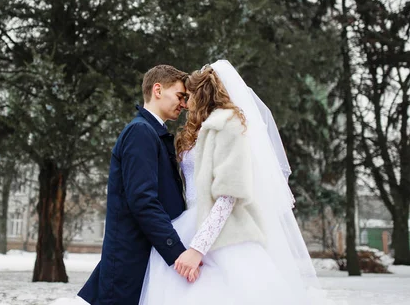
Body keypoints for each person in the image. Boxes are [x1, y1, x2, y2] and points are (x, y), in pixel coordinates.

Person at [139, 60, 326, 305]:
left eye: (189, 95)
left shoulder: (229, 126)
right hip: (190, 224)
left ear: (202, 93)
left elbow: (228, 195)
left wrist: (198, 248)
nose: (185, 104)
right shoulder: (199, 130)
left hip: (224, 235)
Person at [73, 65, 198, 305]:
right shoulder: (140, 132)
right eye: (180, 96)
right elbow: (143, 201)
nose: (183, 104)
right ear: (158, 90)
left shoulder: (153, 132)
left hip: (141, 257)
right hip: (128, 262)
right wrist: (177, 252)